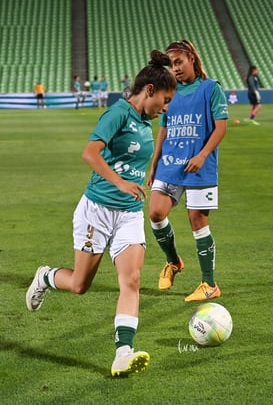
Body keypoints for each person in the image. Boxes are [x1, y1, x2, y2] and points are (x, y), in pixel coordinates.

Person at [25, 50, 176, 377]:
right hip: (97, 211)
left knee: (132, 279)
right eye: (164, 100)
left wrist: (145, 176)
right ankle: (46, 276)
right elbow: (90, 153)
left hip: (130, 214)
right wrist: (121, 182)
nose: (166, 108)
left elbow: (138, 156)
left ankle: (123, 352)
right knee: (80, 285)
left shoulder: (145, 120)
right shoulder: (118, 113)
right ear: (149, 90)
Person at [147, 39, 228, 302]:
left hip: (198, 168)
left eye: (179, 62)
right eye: (172, 64)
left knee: (198, 223)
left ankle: (209, 284)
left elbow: (220, 127)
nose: (176, 68)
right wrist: (154, 163)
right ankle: (173, 261)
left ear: (192, 58)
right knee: (156, 213)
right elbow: (164, 130)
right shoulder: (169, 93)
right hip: (170, 165)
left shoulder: (210, 88)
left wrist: (203, 155)